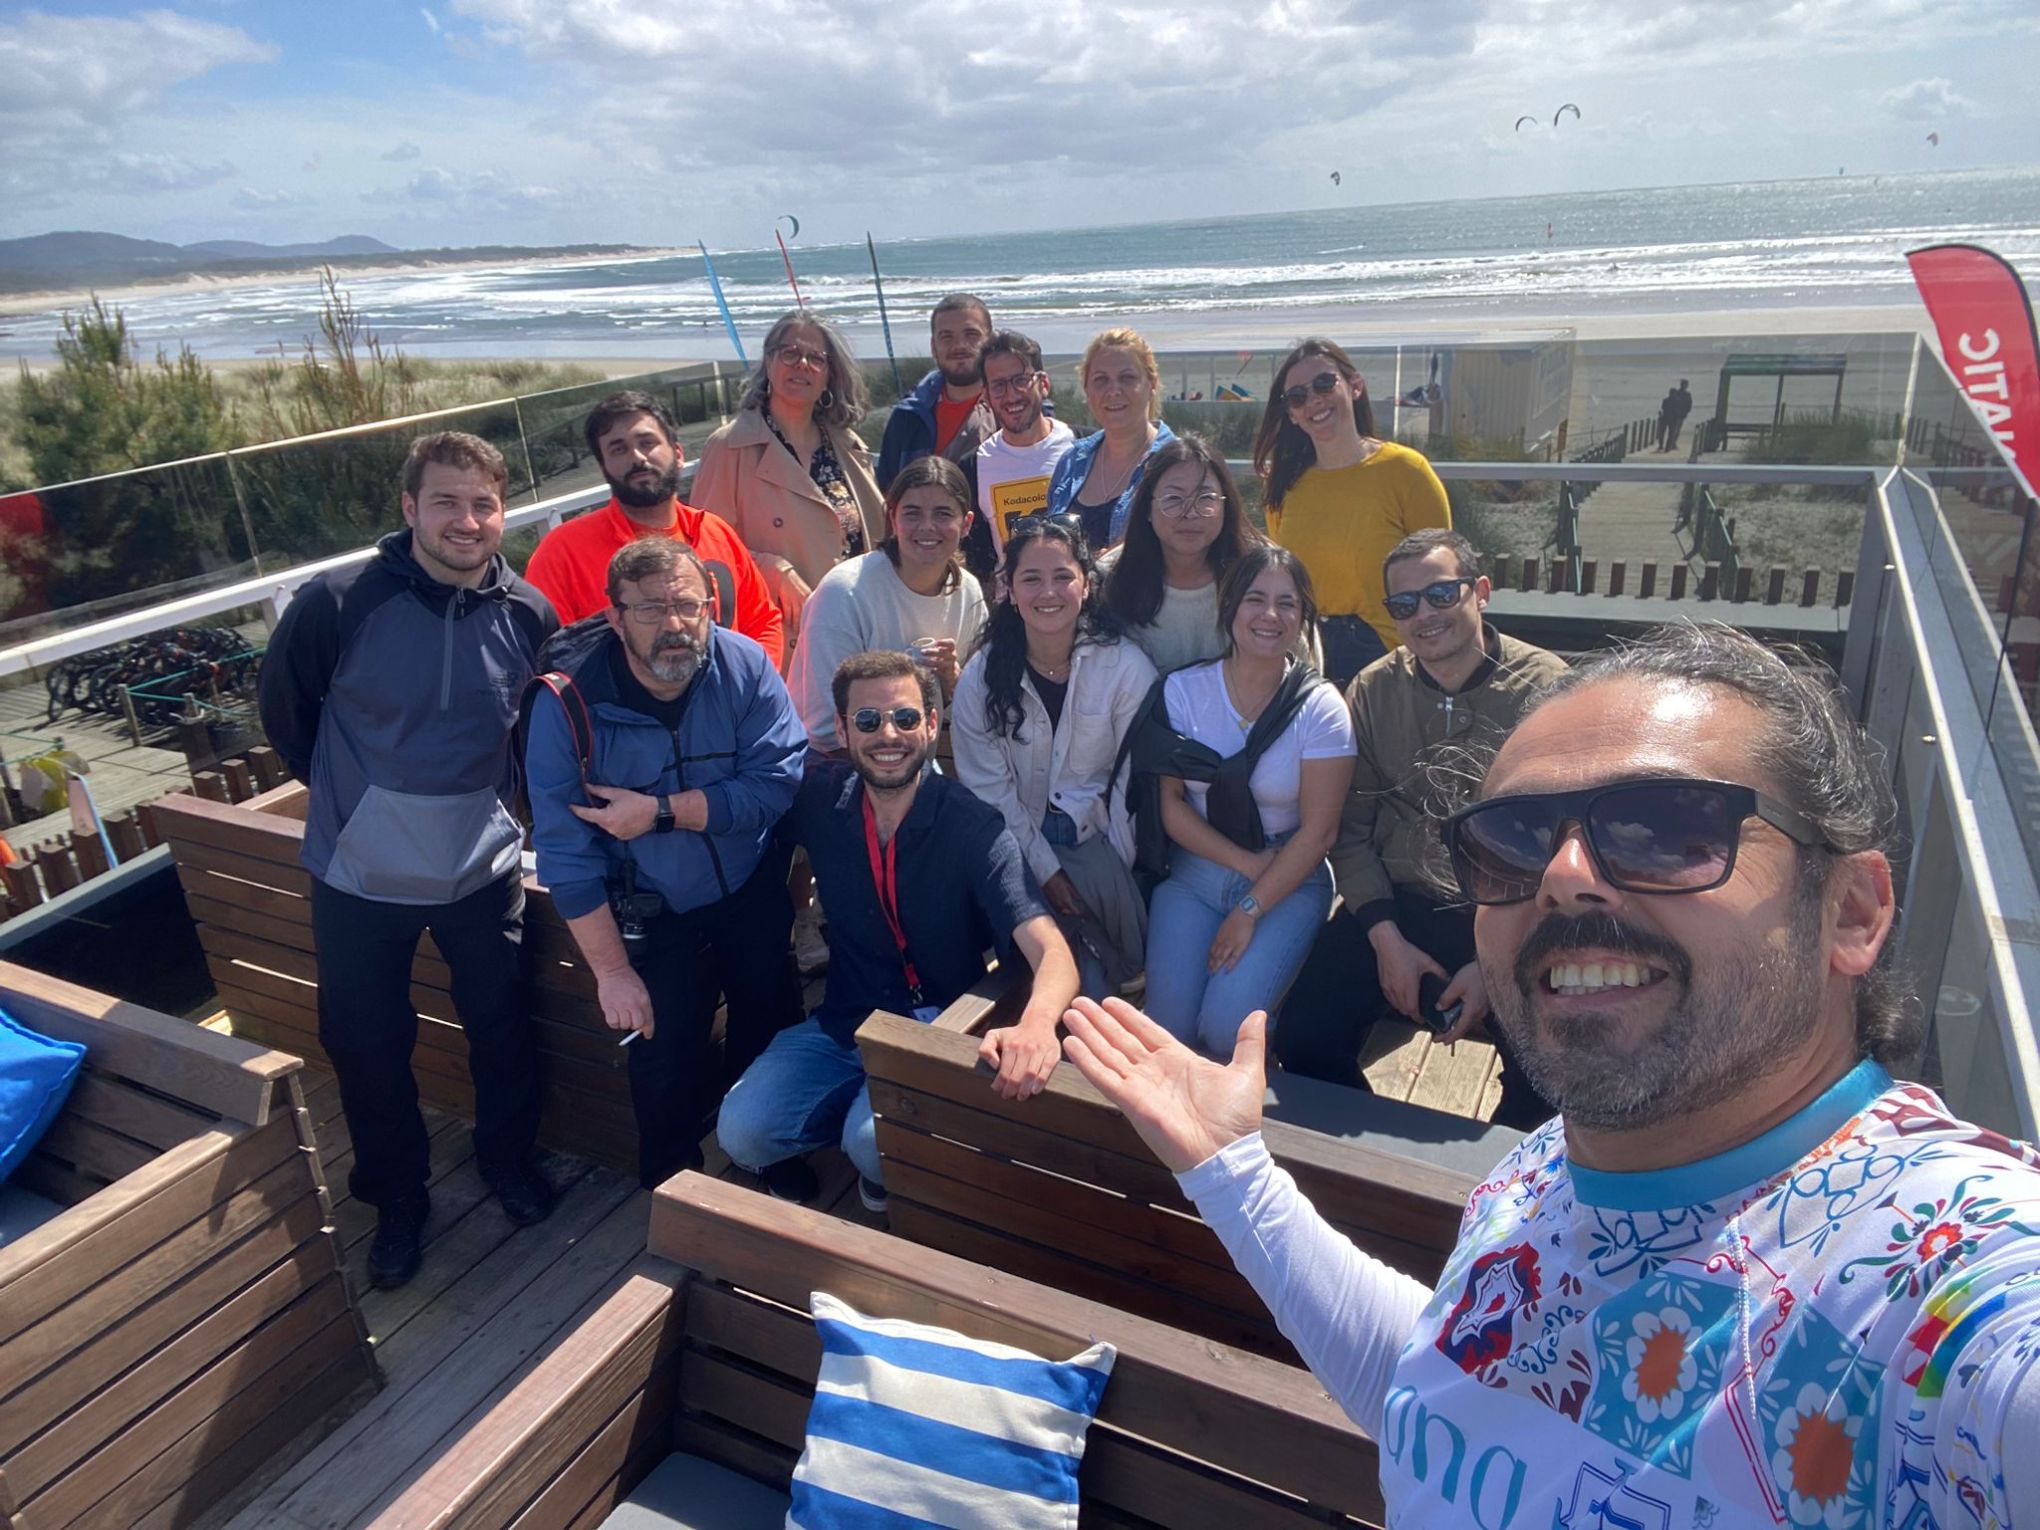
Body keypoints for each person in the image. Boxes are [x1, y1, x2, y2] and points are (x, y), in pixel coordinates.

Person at [1063, 622, 2040, 1528]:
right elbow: (1450, 1380)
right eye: (1515, 842)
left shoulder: (1945, 1278)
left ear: (1853, 913)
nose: (1566, 874)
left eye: (1666, 828)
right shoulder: (1540, 1174)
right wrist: (1233, 1172)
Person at [257, 432, 558, 1290]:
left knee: (501, 1028)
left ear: (503, 512)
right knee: (367, 1043)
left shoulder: (530, 614)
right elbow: (288, 718)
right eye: (445, 502)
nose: (466, 521)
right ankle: (396, 1200)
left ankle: (506, 1160)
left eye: (483, 504)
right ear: (408, 510)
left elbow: (536, 737)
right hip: (357, 875)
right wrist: (362, 811)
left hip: (482, 869)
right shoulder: (338, 602)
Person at [717, 650, 1082, 1210]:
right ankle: (861, 1120)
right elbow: (742, 797)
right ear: (841, 729)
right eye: (867, 720)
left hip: (938, 1023)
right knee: (741, 1132)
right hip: (844, 1021)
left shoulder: (970, 824)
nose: (888, 734)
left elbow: (1051, 951)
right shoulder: (820, 798)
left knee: (871, 1145)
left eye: (906, 719)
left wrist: (1036, 1026)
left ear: (933, 726)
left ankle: (873, 1153)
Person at [524, 538, 806, 1190]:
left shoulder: (741, 666)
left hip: (746, 879)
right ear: (616, 618)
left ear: (711, 605)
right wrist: (612, 971)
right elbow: (566, 854)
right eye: (651, 610)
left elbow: (777, 781)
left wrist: (661, 811)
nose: (674, 625)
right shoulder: (567, 704)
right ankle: (675, 1190)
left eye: (687, 605)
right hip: (651, 899)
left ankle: (767, 1154)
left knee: (769, 1017)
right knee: (664, 1053)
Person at [1276, 528, 1566, 1127]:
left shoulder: (1548, 691)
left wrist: (1495, 965)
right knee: (1303, 1038)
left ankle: (1498, 1198)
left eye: (1440, 594)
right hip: (1400, 904)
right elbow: (1351, 828)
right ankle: (1375, 1173)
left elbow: (1569, 840)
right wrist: (1386, 941)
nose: (1424, 616)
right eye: (1404, 605)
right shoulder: (1375, 691)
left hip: (1518, 912)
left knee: (1553, 1076)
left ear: (1480, 591)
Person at [1130, 545, 1355, 1054]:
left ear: (1303, 619)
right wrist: (1244, 863)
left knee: (1225, 1032)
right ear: (1228, 607)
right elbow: (1170, 807)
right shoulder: (1182, 692)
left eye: (1287, 603)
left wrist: (1251, 907)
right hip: (1196, 874)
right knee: (1169, 1039)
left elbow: (1319, 832)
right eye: (1255, 599)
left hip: (1288, 877)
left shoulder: (1321, 709)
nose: (1270, 615)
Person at [952, 518, 1154, 997]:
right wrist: (1048, 871)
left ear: (1086, 585)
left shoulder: (1125, 667)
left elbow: (1134, 781)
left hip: (1101, 843)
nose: (1049, 592)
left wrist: (1111, 868)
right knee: (1055, 985)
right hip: (1013, 847)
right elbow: (990, 794)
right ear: (1009, 589)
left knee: (1099, 989)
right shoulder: (982, 677)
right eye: (1031, 579)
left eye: (1063, 576)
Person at [523, 392, 784, 666]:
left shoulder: (715, 532)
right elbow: (551, 655)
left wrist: (751, 690)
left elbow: (762, 622)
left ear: (678, 453)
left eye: (647, 443)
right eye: (618, 449)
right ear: (603, 467)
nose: (637, 457)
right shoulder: (562, 552)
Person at [1254, 337, 1451, 683]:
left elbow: (1444, 576)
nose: (1314, 400)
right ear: (1292, 415)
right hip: (1307, 652)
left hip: (1389, 660)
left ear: (1355, 386)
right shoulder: (1283, 484)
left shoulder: (1406, 470)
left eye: (1324, 383)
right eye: (1298, 397)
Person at [693, 312, 884, 650]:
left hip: (857, 627)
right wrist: (774, 571)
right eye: (790, 353)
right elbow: (705, 550)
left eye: (816, 358)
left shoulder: (848, 445)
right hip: (782, 637)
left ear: (829, 375)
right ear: (769, 363)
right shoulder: (729, 447)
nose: (803, 365)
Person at [785, 456, 988, 753]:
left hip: (915, 761)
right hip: (830, 765)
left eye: (943, 514)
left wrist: (951, 681)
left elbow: (973, 708)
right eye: (912, 513)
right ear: (892, 519)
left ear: (967, 523)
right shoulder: (844, 593)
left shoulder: (968, 592)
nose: (927, 527)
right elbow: (825, 730)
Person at [1100, 434, 1264, 675]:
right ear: (1147, 508)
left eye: (1205, 498)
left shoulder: (1261, 572)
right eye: (1173, 499)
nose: (1190, 513)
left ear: (1225, 506)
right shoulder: (1110, 576)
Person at [1045, 328, 1176, 551]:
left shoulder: (1177, 463)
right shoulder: (1071, 462)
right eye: (1101, 380)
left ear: (1151, 384)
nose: (1113, 390)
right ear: (1087, 390)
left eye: (1127, 378)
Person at [973, 330, 1075, 564]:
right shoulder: (976, 464)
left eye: (1021, 380)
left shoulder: (1081, 447)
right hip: (1012, 599)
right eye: (998, 385)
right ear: (986, 396)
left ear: (1044, 384)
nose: (1011, 395)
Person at [876, 292, 996, 492]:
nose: (959, 346)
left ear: (990, 341)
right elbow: (887, 493)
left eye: (971, 334)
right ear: (933, 346)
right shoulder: (907, 418)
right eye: (946, 337)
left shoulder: (1011, 410)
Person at [1658, 376, 1695, 452]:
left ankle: (1672, 444)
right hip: (1676, 415)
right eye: (1684, 384)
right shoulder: (1677, 393)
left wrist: (1685, 412)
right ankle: (1671, 445)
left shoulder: (1687, 394)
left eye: (1686, 384)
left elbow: (1689, 405)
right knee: (1674, 430)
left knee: (1676, 430)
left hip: (1680, 415)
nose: (1685, 386)